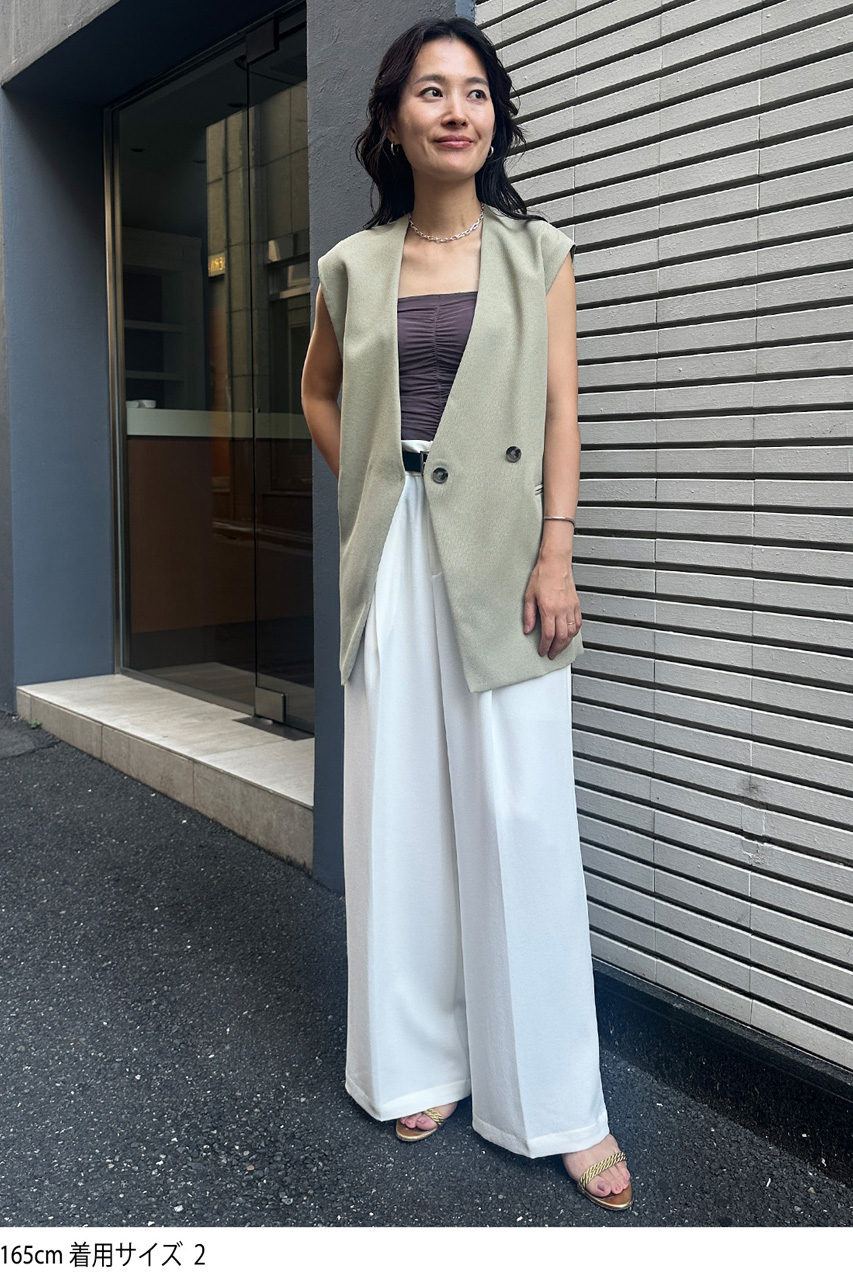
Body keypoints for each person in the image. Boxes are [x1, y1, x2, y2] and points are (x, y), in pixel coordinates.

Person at [301, 16, 633, 1212]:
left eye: (476, 92)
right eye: (433, 92)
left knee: (522, 818)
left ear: (495, 117)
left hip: (505, 553)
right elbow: (318, 392)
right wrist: (375, 492)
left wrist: (557, 551)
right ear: (394, 120)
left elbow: (560, 412)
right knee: (398, 813)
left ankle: (559, 1105)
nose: (458, 110)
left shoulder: (539, 252)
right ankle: (414, 1060)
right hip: (395, 552)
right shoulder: (352, 264)